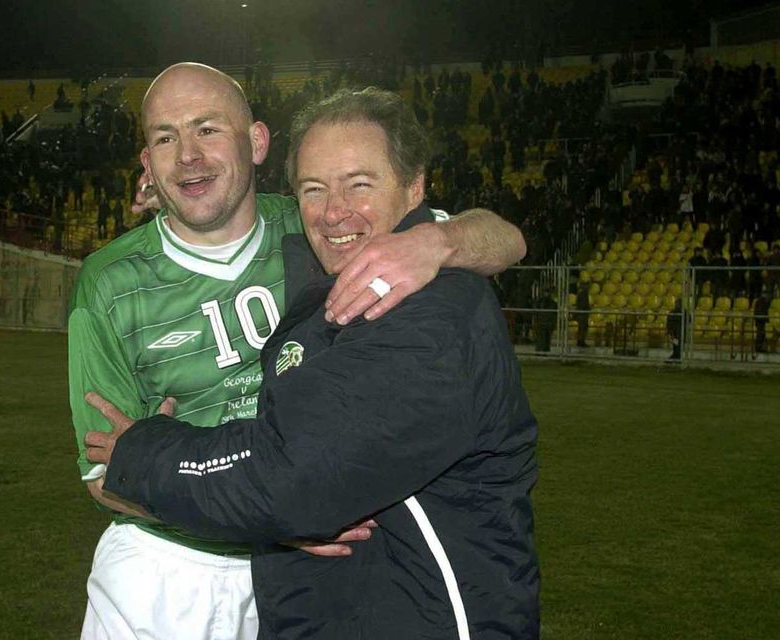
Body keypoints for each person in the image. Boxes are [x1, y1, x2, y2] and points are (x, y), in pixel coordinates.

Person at [69, 64, 527, 640]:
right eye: (166, 138)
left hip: (302, 554)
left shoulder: (313, 225)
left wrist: (438, 239)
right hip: (172, 565)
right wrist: (273, 522)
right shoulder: (107, 281)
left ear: (256, 142)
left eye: (208, 129)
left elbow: (506, 237)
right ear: (147, 162)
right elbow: (102, 473)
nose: (188, 154)